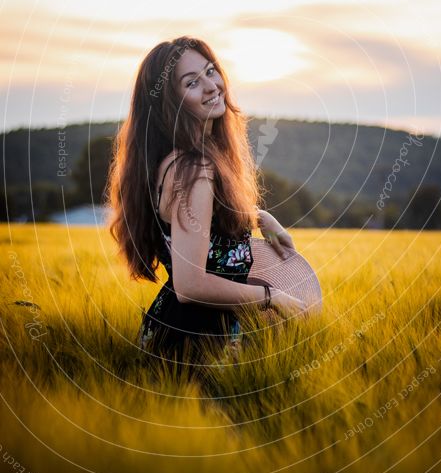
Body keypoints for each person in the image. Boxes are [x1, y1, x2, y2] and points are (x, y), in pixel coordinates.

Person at [106, 36, 304, 380]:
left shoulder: (185, 162)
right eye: (191, 83)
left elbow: (201, 224)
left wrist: (258, 216)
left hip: (196, 338)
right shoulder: (193, 170)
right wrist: (273, 297)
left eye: (211, 72)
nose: (212, 86)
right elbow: (190, 285)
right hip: (193, 349)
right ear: (170, 101)